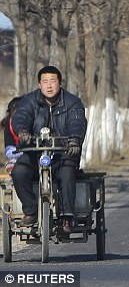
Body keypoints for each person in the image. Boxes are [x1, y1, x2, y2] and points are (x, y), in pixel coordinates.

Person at [11, 66, 87, 233]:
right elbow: (21, 117)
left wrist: (74, 140)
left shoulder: (73, 102)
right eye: (45, 82)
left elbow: (77, 122)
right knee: (19, 172)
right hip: (35, 151)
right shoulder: (29, 101)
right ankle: (30, 211)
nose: (49, 85)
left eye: (53, 81)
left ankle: (66, 217)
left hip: (64, 152)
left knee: (67, 173)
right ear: (39, 84)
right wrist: (23, 132)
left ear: (60, 83)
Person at [1, 96, 23, 175]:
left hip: (36, 155)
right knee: (11, 166)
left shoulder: (35, 122)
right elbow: (9, 151)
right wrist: (22, 152)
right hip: (19, 156)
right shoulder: (8, 125)